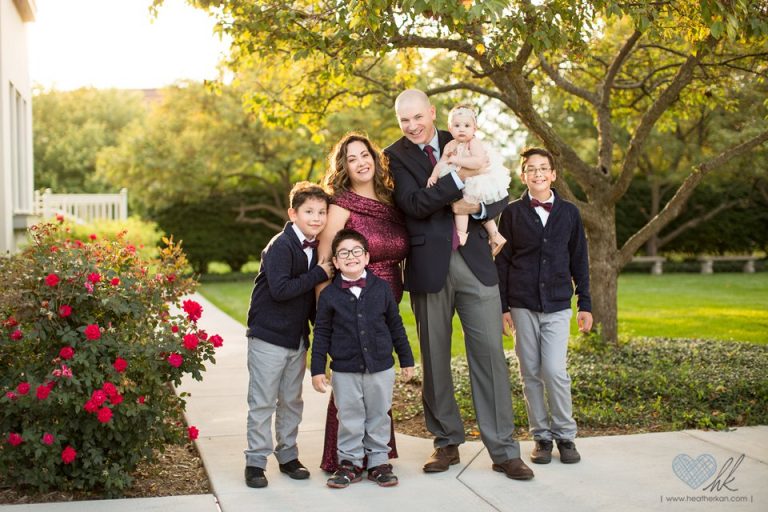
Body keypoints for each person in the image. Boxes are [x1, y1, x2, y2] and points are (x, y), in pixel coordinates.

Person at [384, 88, 533, 481]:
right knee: (435, 357)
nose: (413, 126)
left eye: (418, 116)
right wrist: (461, 178)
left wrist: (477, 207)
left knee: (489, 355)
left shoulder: (464, 136)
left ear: (433, 112)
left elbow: (498, 190)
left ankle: (503, 449)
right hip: (427, 266)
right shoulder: (394, 156)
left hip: (476, 262)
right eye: (405, 120)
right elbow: (413, 204)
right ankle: (445, 441)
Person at [316, 132, 409, 472]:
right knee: (350, 382)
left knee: (377, 382)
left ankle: (378, 456)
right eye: (351, 158)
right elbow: (325, 262)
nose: (360, 162)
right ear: (344, 167)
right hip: (349, 303)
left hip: (386, 303)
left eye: (364, 154)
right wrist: (324, 311)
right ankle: (343, 458)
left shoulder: (392, 202)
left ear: (374, 157)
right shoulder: (341, 205)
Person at [495, 147, 593, 465]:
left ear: (553, 174)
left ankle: (565, 434)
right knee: (530, 373)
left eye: (543, 168)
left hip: (557, 305)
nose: (537, 173)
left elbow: (579, 259)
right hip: (522, 305)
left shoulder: (569, 213)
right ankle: (541, 437)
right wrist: (503, 307)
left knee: (554, 370)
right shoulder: (511, 214)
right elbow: (503, 263)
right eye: (531, 169)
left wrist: (585, 304)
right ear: (523, 176)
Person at [243, 181, 334, 489]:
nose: (317, 218)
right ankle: (255, 462)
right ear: (293, 213)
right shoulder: (281, 245)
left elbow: (308, 299)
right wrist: (320, 273)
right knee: (263, 402)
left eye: (322, 212)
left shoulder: (315, 247)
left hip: (295, 339)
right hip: (268, 337)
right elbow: (281, 290)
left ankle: (288, 456)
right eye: (309, 211)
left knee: (292, 401)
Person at [311, 229, 415, 489]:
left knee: (379, 414)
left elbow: (396, 325)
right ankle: (350, 462)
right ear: (335, 261)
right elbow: (321, 332)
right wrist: (317, 369)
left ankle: (379, 462)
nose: (351, 256)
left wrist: (407, 359)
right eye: (343, 253)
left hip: (381, 367)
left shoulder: (381, 289)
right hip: (345, 370)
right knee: (349, 416)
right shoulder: (330, 296)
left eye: (357, 251)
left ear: (367, 257)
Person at [427, 104, 511, 255]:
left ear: (474, 129)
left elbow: (478, 162)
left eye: (466, 125)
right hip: (461, 181)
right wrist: (434, 175)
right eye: (457, 125)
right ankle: (495, 235)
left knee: (463, 205)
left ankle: (461, 234)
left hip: (477, 180)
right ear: (450, 127)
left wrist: (458, 160)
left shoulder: (474, 143)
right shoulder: (450, 145)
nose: (461, 129)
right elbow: (442, 164)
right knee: (465, 205)